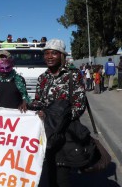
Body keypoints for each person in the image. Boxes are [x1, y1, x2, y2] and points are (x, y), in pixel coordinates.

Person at [32, 39, 86, 187]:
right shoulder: (43, 78)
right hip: (48, 134)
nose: (49, 56)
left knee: (62, 174)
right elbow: (39, 101)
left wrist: (56, 118)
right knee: (50, 171)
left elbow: (79, 106)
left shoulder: (73, 76)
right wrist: (31, 107)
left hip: (66, 133)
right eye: (47, 53)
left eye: (54, 53)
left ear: (62, 56)